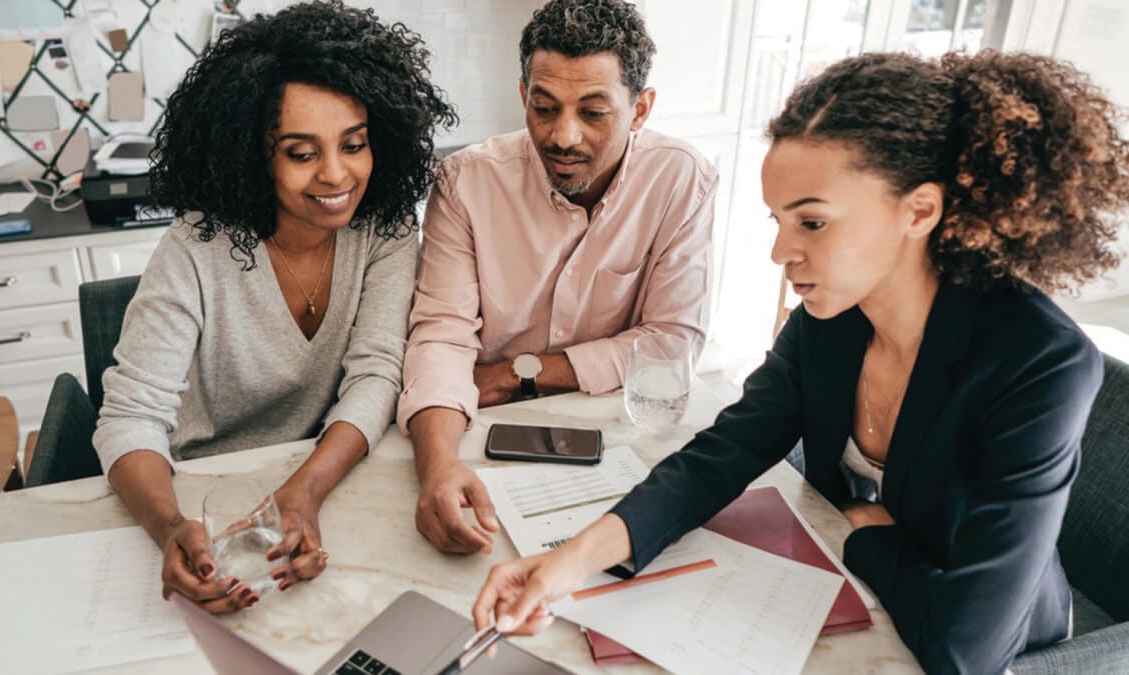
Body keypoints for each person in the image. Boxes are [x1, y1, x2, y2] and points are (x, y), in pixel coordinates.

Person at [471, 50, 1129, 673]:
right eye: (778, 220)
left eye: (812, 223)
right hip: (864, 598)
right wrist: (564, 563)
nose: (781, 252)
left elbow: (967, 647)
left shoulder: (1039, 364)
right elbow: (724, 451)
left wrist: (867, 536)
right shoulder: (834, 315)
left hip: (1004, 646)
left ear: (919, 210)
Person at [93, 2, 456, 614]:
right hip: (199, 491)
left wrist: (304, 492)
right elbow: (129, 417)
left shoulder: (385, 229)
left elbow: (376, 374)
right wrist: (169, 526)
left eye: (354, 144)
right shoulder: (195, 247)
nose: (337, 175)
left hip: (324, 478)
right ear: (253, 154)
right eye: (301, 152)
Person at [398, 0, 718, 556]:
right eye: (544, 108)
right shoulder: (466, 182)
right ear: (524, 95)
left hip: (621, 441)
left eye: (593, 113)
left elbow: (672, 342)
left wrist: (514, 374)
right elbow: (440, 337)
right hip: (477, 431)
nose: (563, 136)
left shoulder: (679, 180)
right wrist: (438, 468)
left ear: (640, 110)